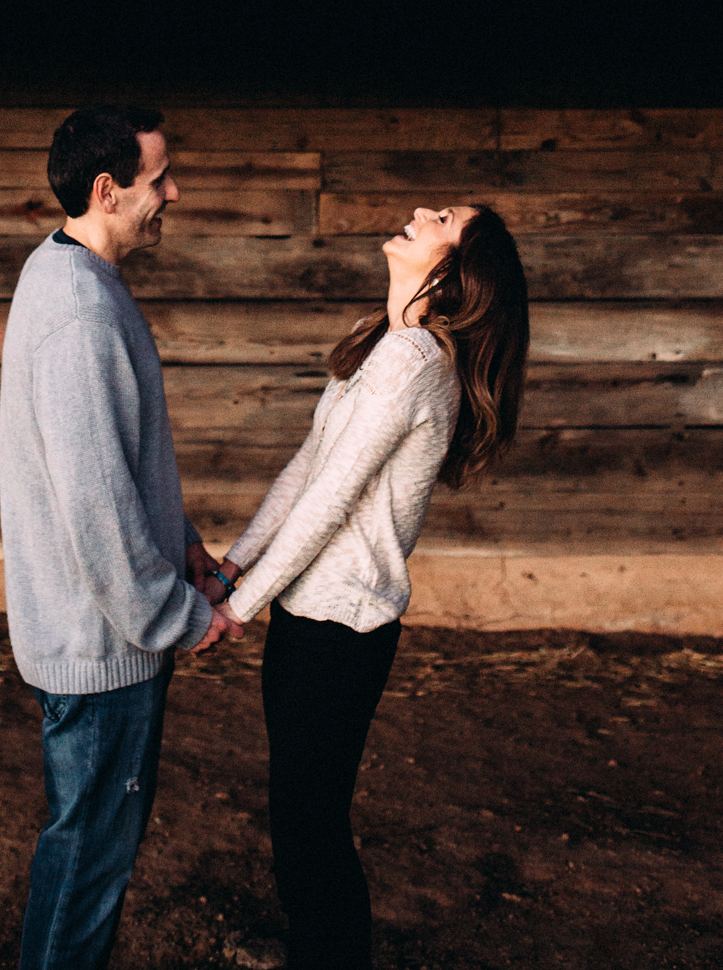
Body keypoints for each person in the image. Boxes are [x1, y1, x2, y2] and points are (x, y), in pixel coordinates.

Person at [205, 202, 530, 970]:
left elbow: (330, 500)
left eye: (442, 217)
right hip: (312, 614)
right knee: (300, 817)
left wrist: (234, 611)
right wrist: (231, 567)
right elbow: (308, 466)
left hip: (338, 630)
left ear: (454, 271)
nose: (420, 211)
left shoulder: (411, 361)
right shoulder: (390, 346)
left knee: (310, 825)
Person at [0, 104, 241, 970]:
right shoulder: (77, 313)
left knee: (88, 850)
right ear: (108, 189)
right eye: (158, 177)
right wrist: (179, 615)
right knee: (87, 863)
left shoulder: (75, 277)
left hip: (100, 627)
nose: (172, 192)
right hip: (101, 644)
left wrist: (178, 540)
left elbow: (117, 461)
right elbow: (96, 509)